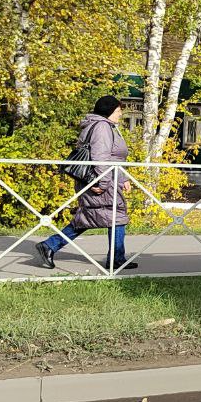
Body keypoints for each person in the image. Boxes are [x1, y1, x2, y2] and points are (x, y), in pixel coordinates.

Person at [35, 96, 138, 271]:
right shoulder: (102, 127)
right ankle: (51, 245)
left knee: (100, 216)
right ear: (109, 111)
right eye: (118, 110)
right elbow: (100, 158)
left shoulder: (105, 127)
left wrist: (123, 178)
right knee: (108, 216)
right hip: (99, 180)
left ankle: (116, 258)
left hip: (104, 179)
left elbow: (113, 158)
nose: (121, 114)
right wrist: (103, 183)